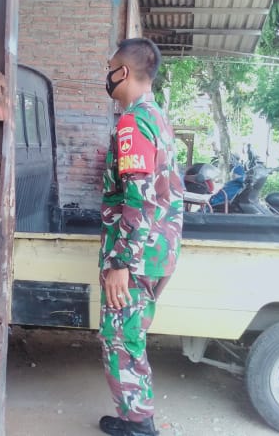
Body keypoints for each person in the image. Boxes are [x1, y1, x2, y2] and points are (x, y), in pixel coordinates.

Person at [97, 38, 184, 436]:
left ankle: (139, 427)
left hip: (135, 256)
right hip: (156, 250)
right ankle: (136, 416)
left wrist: (120, 263)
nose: (108, 74)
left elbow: (139, 196)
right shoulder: (156, 116)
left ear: (124, 72)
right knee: (129, 337)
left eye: (111, 67)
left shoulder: (133, 121)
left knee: (121, 340)